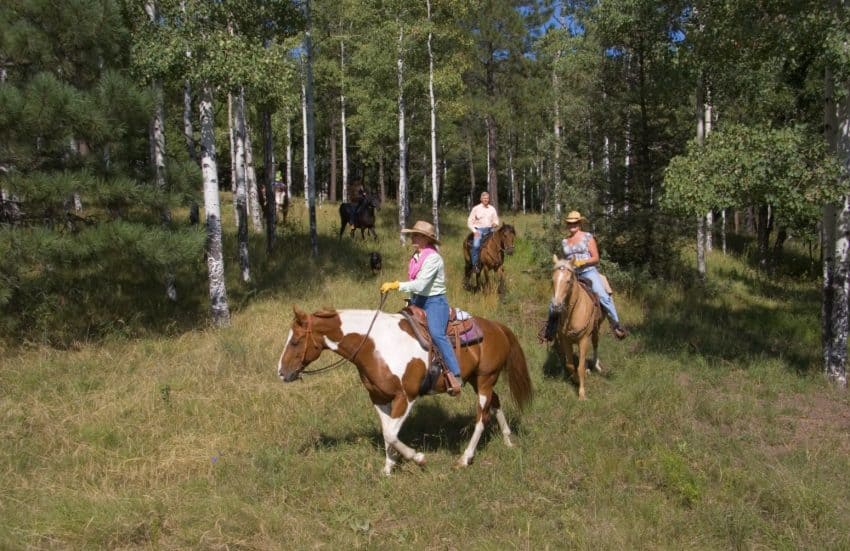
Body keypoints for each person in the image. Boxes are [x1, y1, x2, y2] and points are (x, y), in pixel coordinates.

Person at [380, 220, 463, 396]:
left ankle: (456, 373)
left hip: (435, 301)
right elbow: (415, 286)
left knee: (436, 333)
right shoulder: (416, 256)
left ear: (426, 239)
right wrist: (410, 301)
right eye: (412, 234)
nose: (413, 237)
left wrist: (396, 285)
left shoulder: (433, 258)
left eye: (416, 235)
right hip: (419, 299)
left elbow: (421, 284)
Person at [539, 210, 628, 342]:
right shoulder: (565, 241)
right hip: (573, 274)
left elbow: (596, 258)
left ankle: (616, 325)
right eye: (569, 223)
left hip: (588, 271)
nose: (572, 225)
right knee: (555, 299)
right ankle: (550, 328)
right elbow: (567, 259)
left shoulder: (588, 237)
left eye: (574, 222)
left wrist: (583, 261)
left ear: (579, 223)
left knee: (603, 296)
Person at [467, 191, 500, 273]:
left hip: (490, 230)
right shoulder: (476, 209)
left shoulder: (492, 209)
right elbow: (469, 222)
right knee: (476, 245)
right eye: (484, 198)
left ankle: (498, 262)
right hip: (479, 230)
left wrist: (495, 224)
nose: (486, 200)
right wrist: (475, 231)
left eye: (487, 198)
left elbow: (496, 220)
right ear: (481, 199)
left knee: (498, 245)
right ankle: (475, 265)